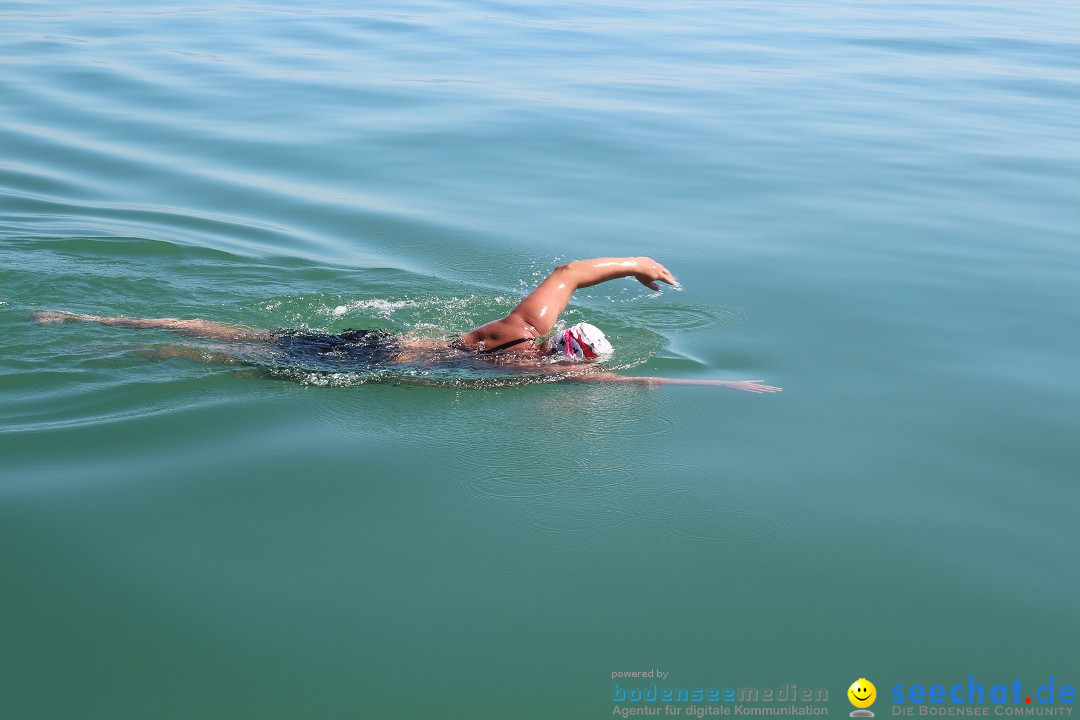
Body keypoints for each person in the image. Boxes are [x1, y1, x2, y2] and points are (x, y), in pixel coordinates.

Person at [32, 256, 780, 392]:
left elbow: (569, 273)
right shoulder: (534, 374)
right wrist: (723, 386)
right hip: (373, 368)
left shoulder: (521, 327)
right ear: (569, 359)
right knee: (235, 363)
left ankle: (90, 314)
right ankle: (123, 345)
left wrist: (638, 259)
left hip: (377, 343)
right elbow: (637, 380)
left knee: (237, 335)